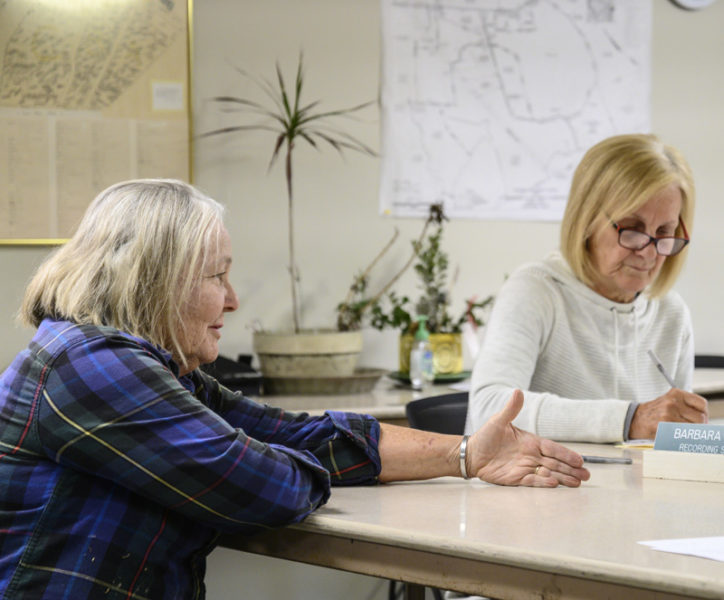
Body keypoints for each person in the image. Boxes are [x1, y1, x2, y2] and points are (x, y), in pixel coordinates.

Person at [0, 179, 589, 599]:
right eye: (217, 276)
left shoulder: (146, 368)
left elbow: (294, 434)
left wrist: (465, 455)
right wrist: (266, 458)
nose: (233, 299)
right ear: (155, 281)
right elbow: (264, 486)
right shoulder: (91, 367)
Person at [466, 133, 709, 443]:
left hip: (633, 491)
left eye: (664, 232)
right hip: (538, 490)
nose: (649, 253)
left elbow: (675, 443)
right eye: (632, 229)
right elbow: (488, 408)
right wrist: (628, 419)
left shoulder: (671, 314)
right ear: (587, 220)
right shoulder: (537, 291)